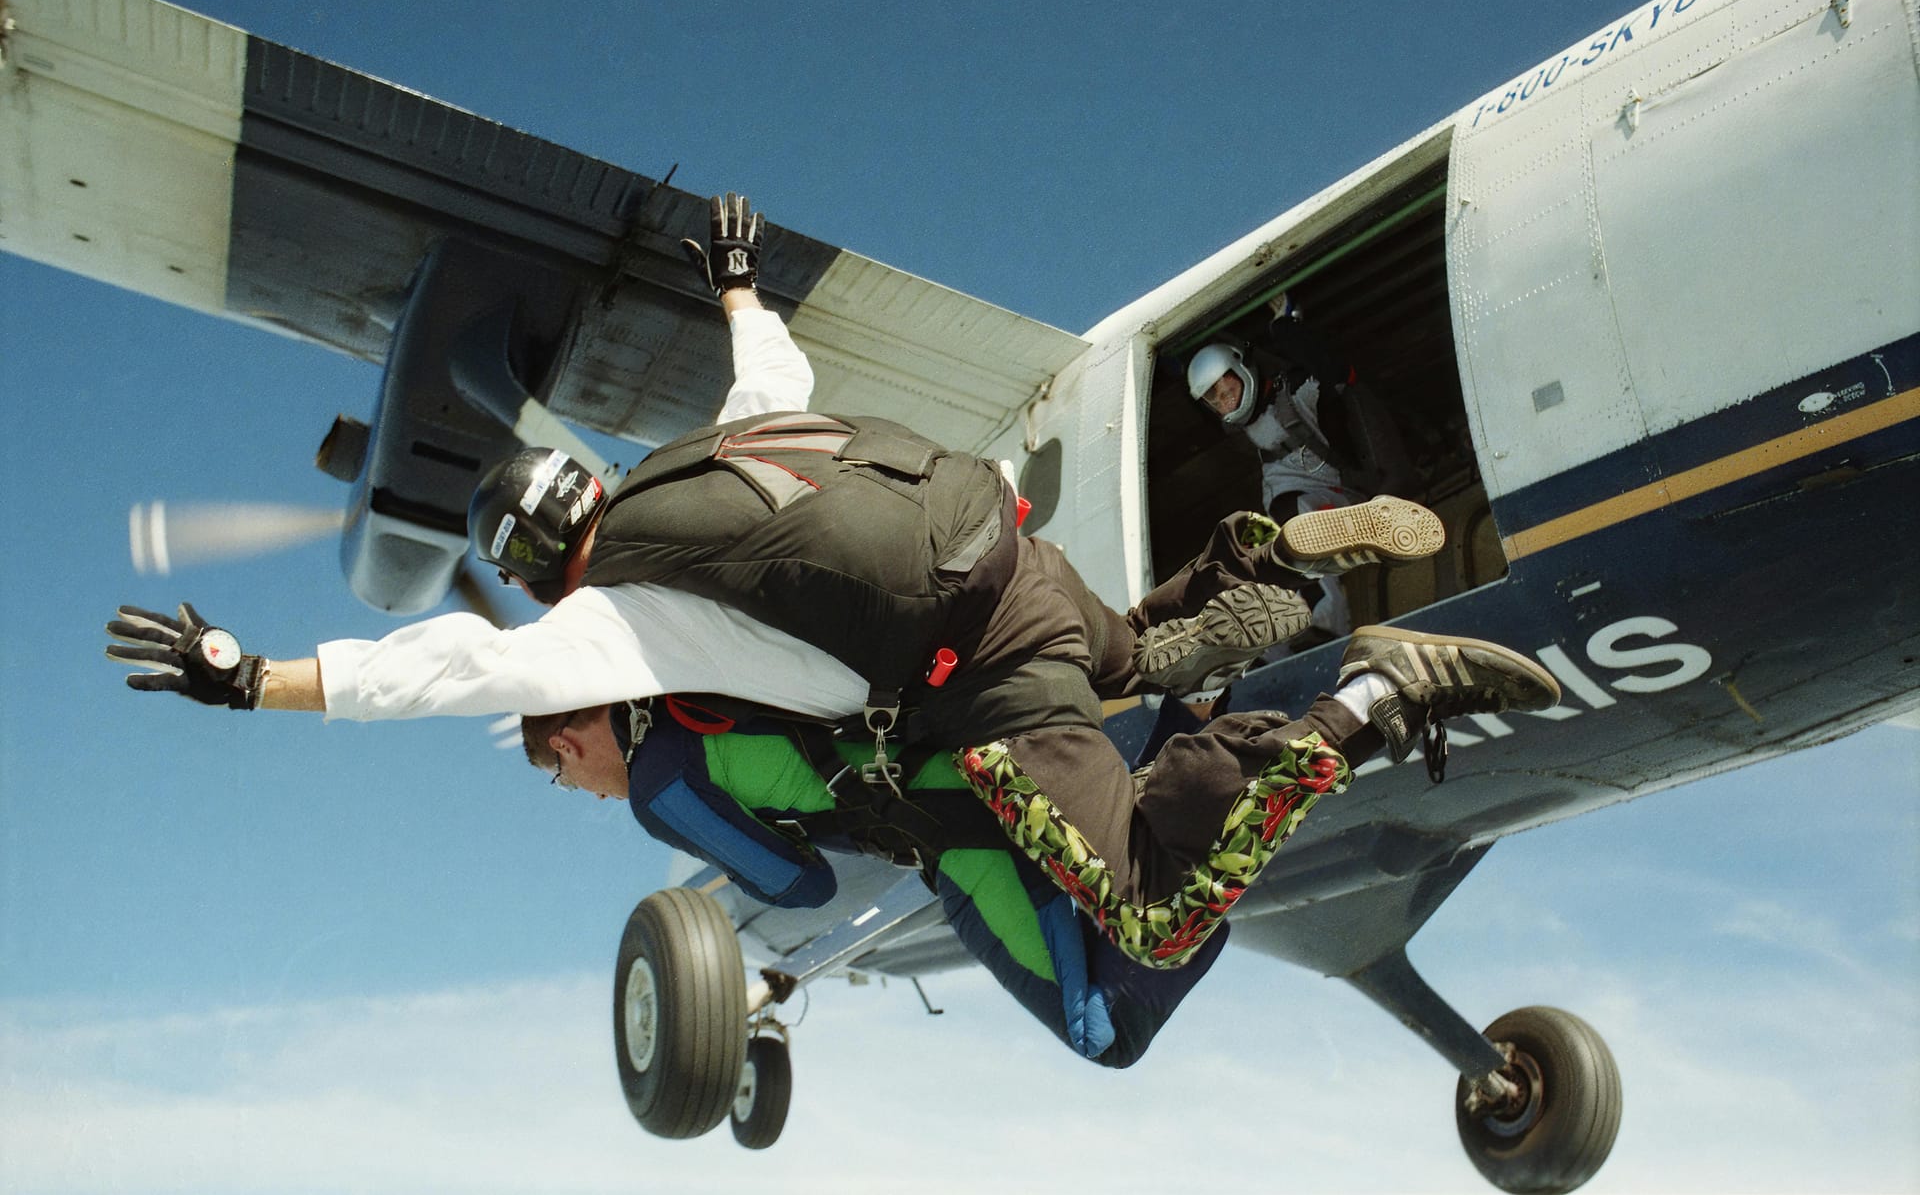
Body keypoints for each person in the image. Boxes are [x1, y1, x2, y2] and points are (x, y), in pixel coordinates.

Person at [106, 192, 1533, 979]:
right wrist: (734, 275)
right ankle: (1268, 555)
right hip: (1018, 563)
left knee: (1152, 904)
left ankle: (1360, 696)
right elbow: (773, 368)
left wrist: (258, 678)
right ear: (591, 490)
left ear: (550, 578)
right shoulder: (715, 453)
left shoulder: (616, 619)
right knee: (1144, 660)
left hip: (975, 683)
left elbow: (449, 668)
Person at [520, 621, 1559, 1068]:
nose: (582, 786)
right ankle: (1193, 754)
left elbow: (798, 886)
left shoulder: (658, 785)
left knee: (1105, 1024)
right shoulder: (711, 664)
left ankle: (1351, 706)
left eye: (563, 774)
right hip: (1010, 732)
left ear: (569, 734)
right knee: (1164, 914)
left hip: (974, 837)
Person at [1185, 293, 1430, 642]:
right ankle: (1274, 651)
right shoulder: (1242, 429)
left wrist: (1287, 329)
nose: (1227, 402)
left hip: (1338, 501)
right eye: (1217, 400)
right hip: (1293, 512)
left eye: (1230, 389)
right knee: (1246, 549)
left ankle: (1326, 628)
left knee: (1298, 526)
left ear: (1242, 371)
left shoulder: (1295, 392)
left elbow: (1337, 373)